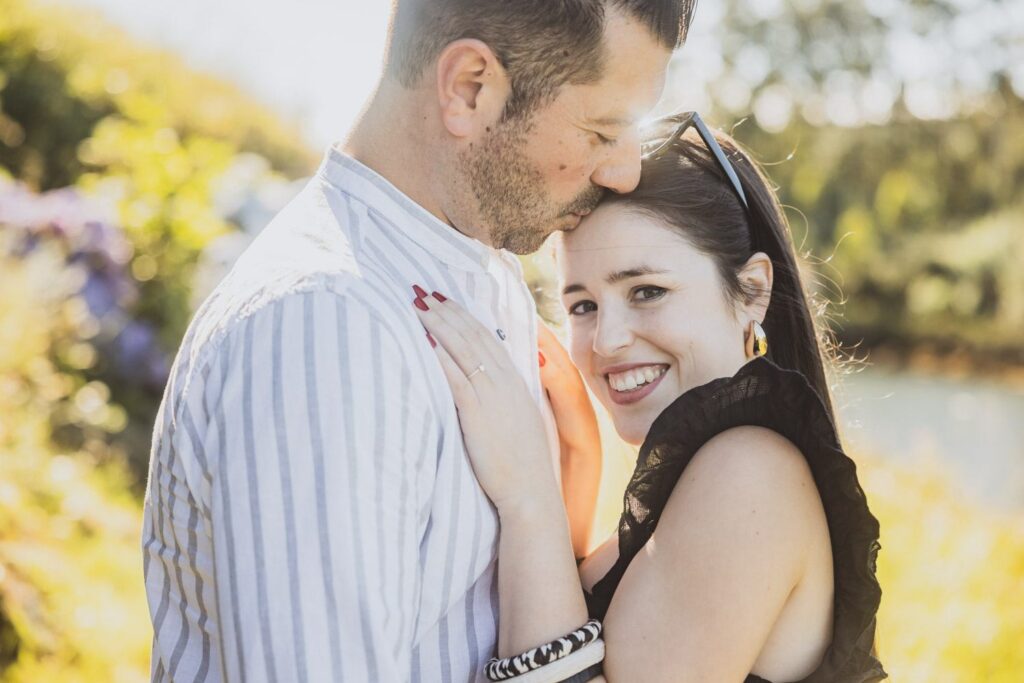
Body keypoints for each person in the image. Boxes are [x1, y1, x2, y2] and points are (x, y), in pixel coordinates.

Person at [141, 1, 697, 681]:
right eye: (603, 130)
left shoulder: (481, 273)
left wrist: (555, 498)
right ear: (470, 87)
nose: (626, 172)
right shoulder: (327, 329)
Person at [414, 113, 887, 682]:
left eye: (647, 291)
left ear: (752, 291)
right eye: (583, 305)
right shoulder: (706, 474)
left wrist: (529, 499)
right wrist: (577, 468)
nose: (607, 339)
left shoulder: (751, 473)